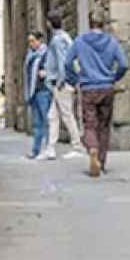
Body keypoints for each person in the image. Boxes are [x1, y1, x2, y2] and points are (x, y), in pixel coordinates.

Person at [65, 10, 129, 177]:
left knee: (89, 123)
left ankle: (92, 148)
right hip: (106, 87)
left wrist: (75, 79)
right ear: (104, 24)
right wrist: (113, 78)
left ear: (89, 23)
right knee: (104, 125)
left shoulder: (80, 42)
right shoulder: (112, 42)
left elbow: (67, 63)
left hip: (88, 88)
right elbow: (123, 64)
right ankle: (101, 160)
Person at [42, 11, 86, 160]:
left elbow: (63, 61)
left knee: (67, 115)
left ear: (49, 23)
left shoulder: (57, 40)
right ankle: (50, 148)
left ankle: (77, 146)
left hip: (61, 83)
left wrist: (61, 80)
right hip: (63, 83)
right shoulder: (65, 37)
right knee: (52, 116)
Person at [23, 31, 52, 160]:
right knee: (37, 123)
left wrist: (47, 73)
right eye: (29, 41)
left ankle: (48, 149)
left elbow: (54, 67)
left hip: (44, 90)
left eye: (33, 41)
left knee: (46, 121)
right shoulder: (31, 56)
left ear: (40, 41)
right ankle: (36, 150)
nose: (31, 44)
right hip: (34, 92)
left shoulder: (47, 53)